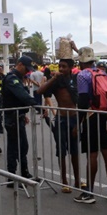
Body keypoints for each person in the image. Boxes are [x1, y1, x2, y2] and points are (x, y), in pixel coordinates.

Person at [73, 46, 107, 202]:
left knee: (92, 154)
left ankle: (89, 192)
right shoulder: (102, 73)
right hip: (104, 115)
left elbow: (83, 101)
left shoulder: (82, 75)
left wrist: (78, 123)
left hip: (91, 116)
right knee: (106, 152)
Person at [38, 58, 81, 193]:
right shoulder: (57, 81)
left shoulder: (76, 80)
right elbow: (40, 91)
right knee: (62, 151)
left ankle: (77, 179)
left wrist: (78, 124)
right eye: (59, 66)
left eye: (64, 67)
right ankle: (64, 181)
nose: (61, 69)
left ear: (71, 67)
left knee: (74, 151)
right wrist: (53, 79)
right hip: (61, 119)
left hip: (75, 119)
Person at [1, 56, 39, 184]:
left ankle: (24, 173)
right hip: (12, 118)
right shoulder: (12, 78)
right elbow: (22, 95)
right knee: (14, 147)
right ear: (20, 65)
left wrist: (23, 113)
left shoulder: (17, 77)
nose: (27, 72)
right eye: (26, 69)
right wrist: (36, 104)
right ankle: (12, 176)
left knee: (22, 146)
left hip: (18, 116)